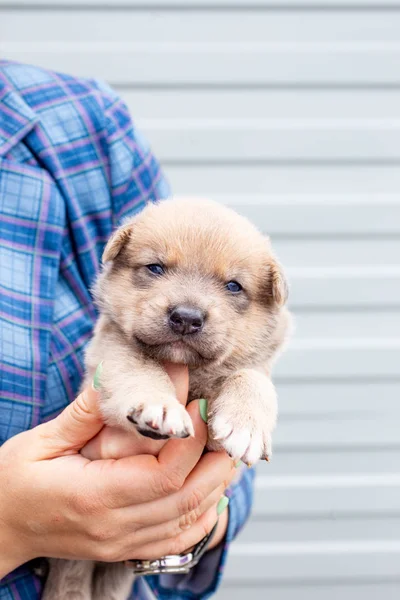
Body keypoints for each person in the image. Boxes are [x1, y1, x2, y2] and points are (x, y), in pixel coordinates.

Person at [0, 60, 254, 600]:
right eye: (156, 270)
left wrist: (186, 526)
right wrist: (9, 528)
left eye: (231, 288)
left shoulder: (81, 123)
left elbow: (236, 474)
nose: (189, 309)